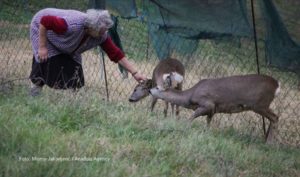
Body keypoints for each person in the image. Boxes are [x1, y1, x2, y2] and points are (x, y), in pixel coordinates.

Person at [29, 8, 146, 96]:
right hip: (43, 30)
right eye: (102, 31)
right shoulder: (71, 25)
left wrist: (135, 73)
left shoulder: (100, 35)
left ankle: (70, 101)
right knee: (47, 60)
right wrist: (42, 46)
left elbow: (116, 54)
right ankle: (34, 92)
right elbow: (45, 21)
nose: (104, 33)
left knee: (75, 69)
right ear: (91, 28)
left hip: (68, 44)